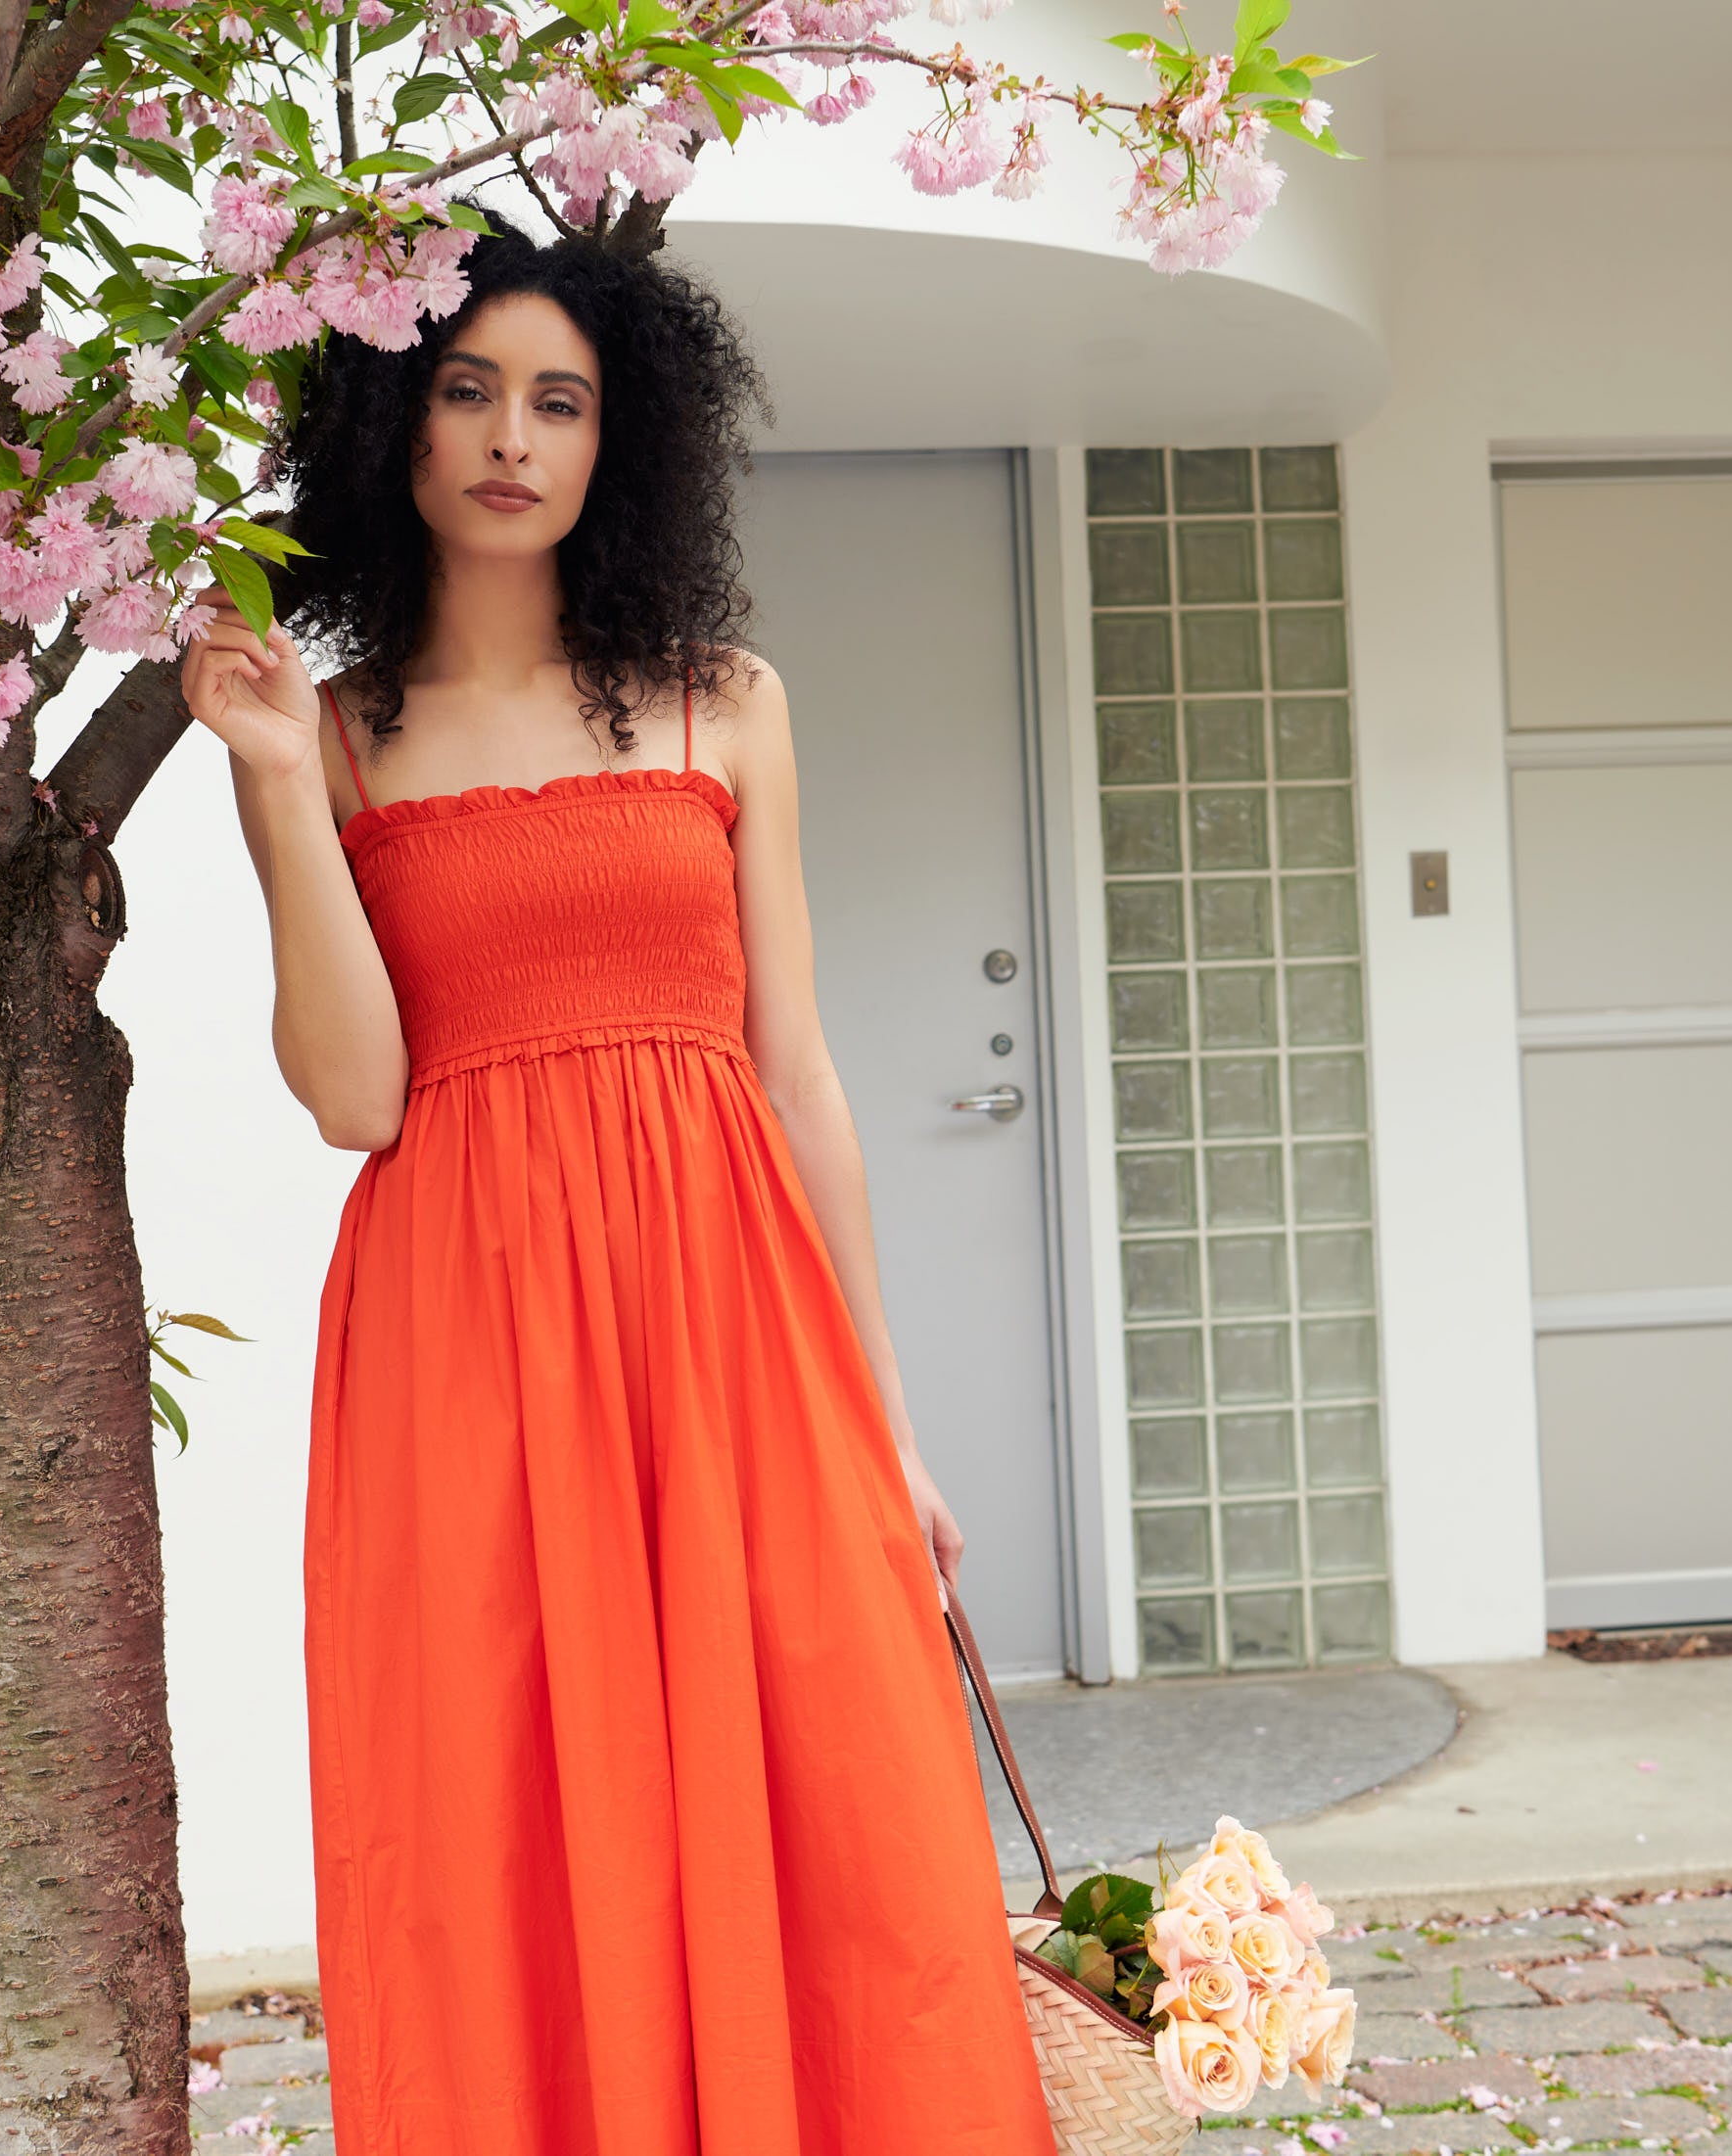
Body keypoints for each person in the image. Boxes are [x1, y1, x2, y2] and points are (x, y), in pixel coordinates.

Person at [177, 219, 1057, 2153]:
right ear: (390, 423)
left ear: (618, 440)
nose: (512, 438)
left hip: (727, 1320)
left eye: (558, 401)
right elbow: (352, 1094)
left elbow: (796, 1071)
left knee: (827, 1797)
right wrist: (259, 781)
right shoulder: (329, 736)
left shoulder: (716, 699)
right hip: (465, 1335)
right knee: (505, 1814)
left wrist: (886, 1422)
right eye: (467, 389)